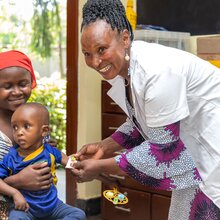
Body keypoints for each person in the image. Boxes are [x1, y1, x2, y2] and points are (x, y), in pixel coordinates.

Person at [71, 0, 220, 219]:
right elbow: (139, 123)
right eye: (87, 53)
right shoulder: (126, 70)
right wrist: (104, 146)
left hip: (211, 153)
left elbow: (163, 151)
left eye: (101, 49)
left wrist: (99, 166)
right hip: (194, 156)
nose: (95, 61)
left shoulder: (157, 71)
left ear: (124, 38)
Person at [0, 102, 86, 220]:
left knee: (78, 214)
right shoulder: (11, 157)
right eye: (15, 127)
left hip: (53, 206)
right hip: (25, 208)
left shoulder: (50, 151)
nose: (19, 132)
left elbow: (69, 161)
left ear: (44, 131)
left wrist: (84, 168)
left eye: (26, 126)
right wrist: (15, 193)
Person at [0, 50, 54, 219]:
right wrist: (17, 181)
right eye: (7, 86)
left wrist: (46, 148)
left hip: (36, 206)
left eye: (23, 84)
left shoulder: (35, 116)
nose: (16, 92)